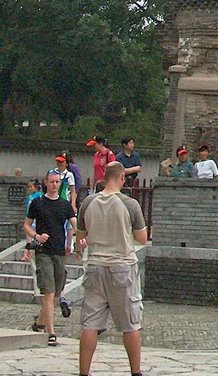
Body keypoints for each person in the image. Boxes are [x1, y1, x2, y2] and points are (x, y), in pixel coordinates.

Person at [76, 161, 148, 376]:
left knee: (90, 323)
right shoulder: (130, 204)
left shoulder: (87, 203)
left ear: (104, 177)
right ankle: (135, 372)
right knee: (131, 324)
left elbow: (81, 235)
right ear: (122, 178)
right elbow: (142, 238)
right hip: (122, 267)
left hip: (95, 266)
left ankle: (84, 372)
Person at [24, 169, 76, 346]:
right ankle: (51, 332)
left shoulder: (64, 205)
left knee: (56, 293)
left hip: (59, 252)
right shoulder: (37, 203)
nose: (54, 185)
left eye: (57, 182)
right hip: (43, 251)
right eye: (51, 181)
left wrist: (82, 238)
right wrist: (36, 236)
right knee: (48, 291)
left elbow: (75, 225)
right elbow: (27, 224)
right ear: (46, 182)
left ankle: (39, 323)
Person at [21, 179, 43, 262]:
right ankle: (26, 253)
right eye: (28, 187)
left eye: (31, 187)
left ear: (36, 187)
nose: (29, 189)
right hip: (29, 220)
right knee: (28, 238)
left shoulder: (40, 196)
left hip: (37, 220)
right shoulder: (29, 197)